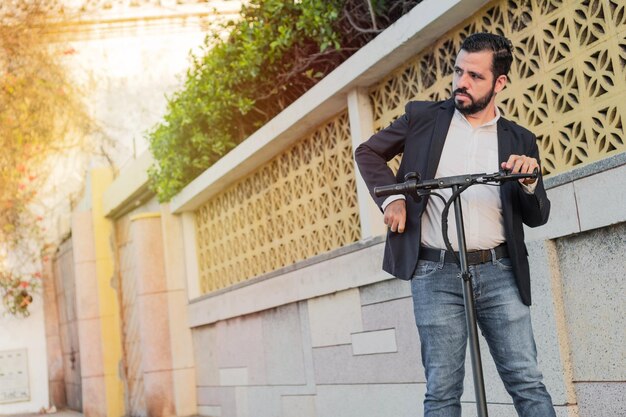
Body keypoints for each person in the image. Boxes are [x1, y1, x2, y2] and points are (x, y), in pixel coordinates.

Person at [355, 33, 556, 417]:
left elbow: (537, 215)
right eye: (458, 71)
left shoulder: (520, 139)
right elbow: (367, 152)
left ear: (499, 83)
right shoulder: (423, 119)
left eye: (475, 76)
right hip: (435, 272)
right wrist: (393, 197)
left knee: (527, 381)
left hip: (500, 272)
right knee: (443, 390)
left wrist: (529, 182)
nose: (461, 82)